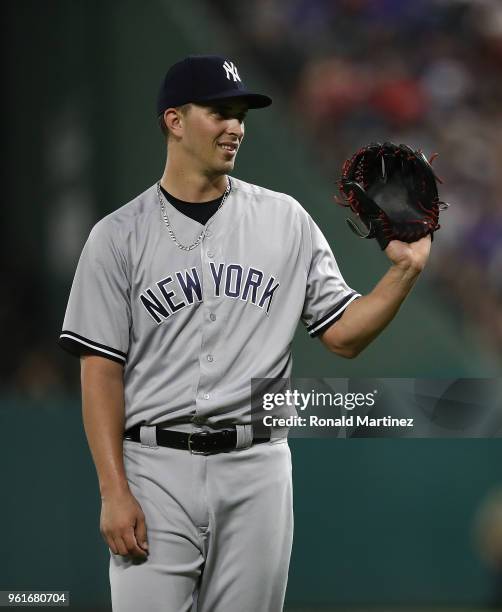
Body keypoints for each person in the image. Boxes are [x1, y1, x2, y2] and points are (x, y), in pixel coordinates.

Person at [58, 54, 431, 612]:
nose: (236, 127)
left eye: (242, 114)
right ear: (174, 120)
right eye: (220, 112)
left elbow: (344, 336)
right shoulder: (116, 236)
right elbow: (100, 372)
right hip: (154, 468)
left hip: (256, 467)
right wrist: (114, 491)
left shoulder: (285, 219)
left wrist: (404, 272)